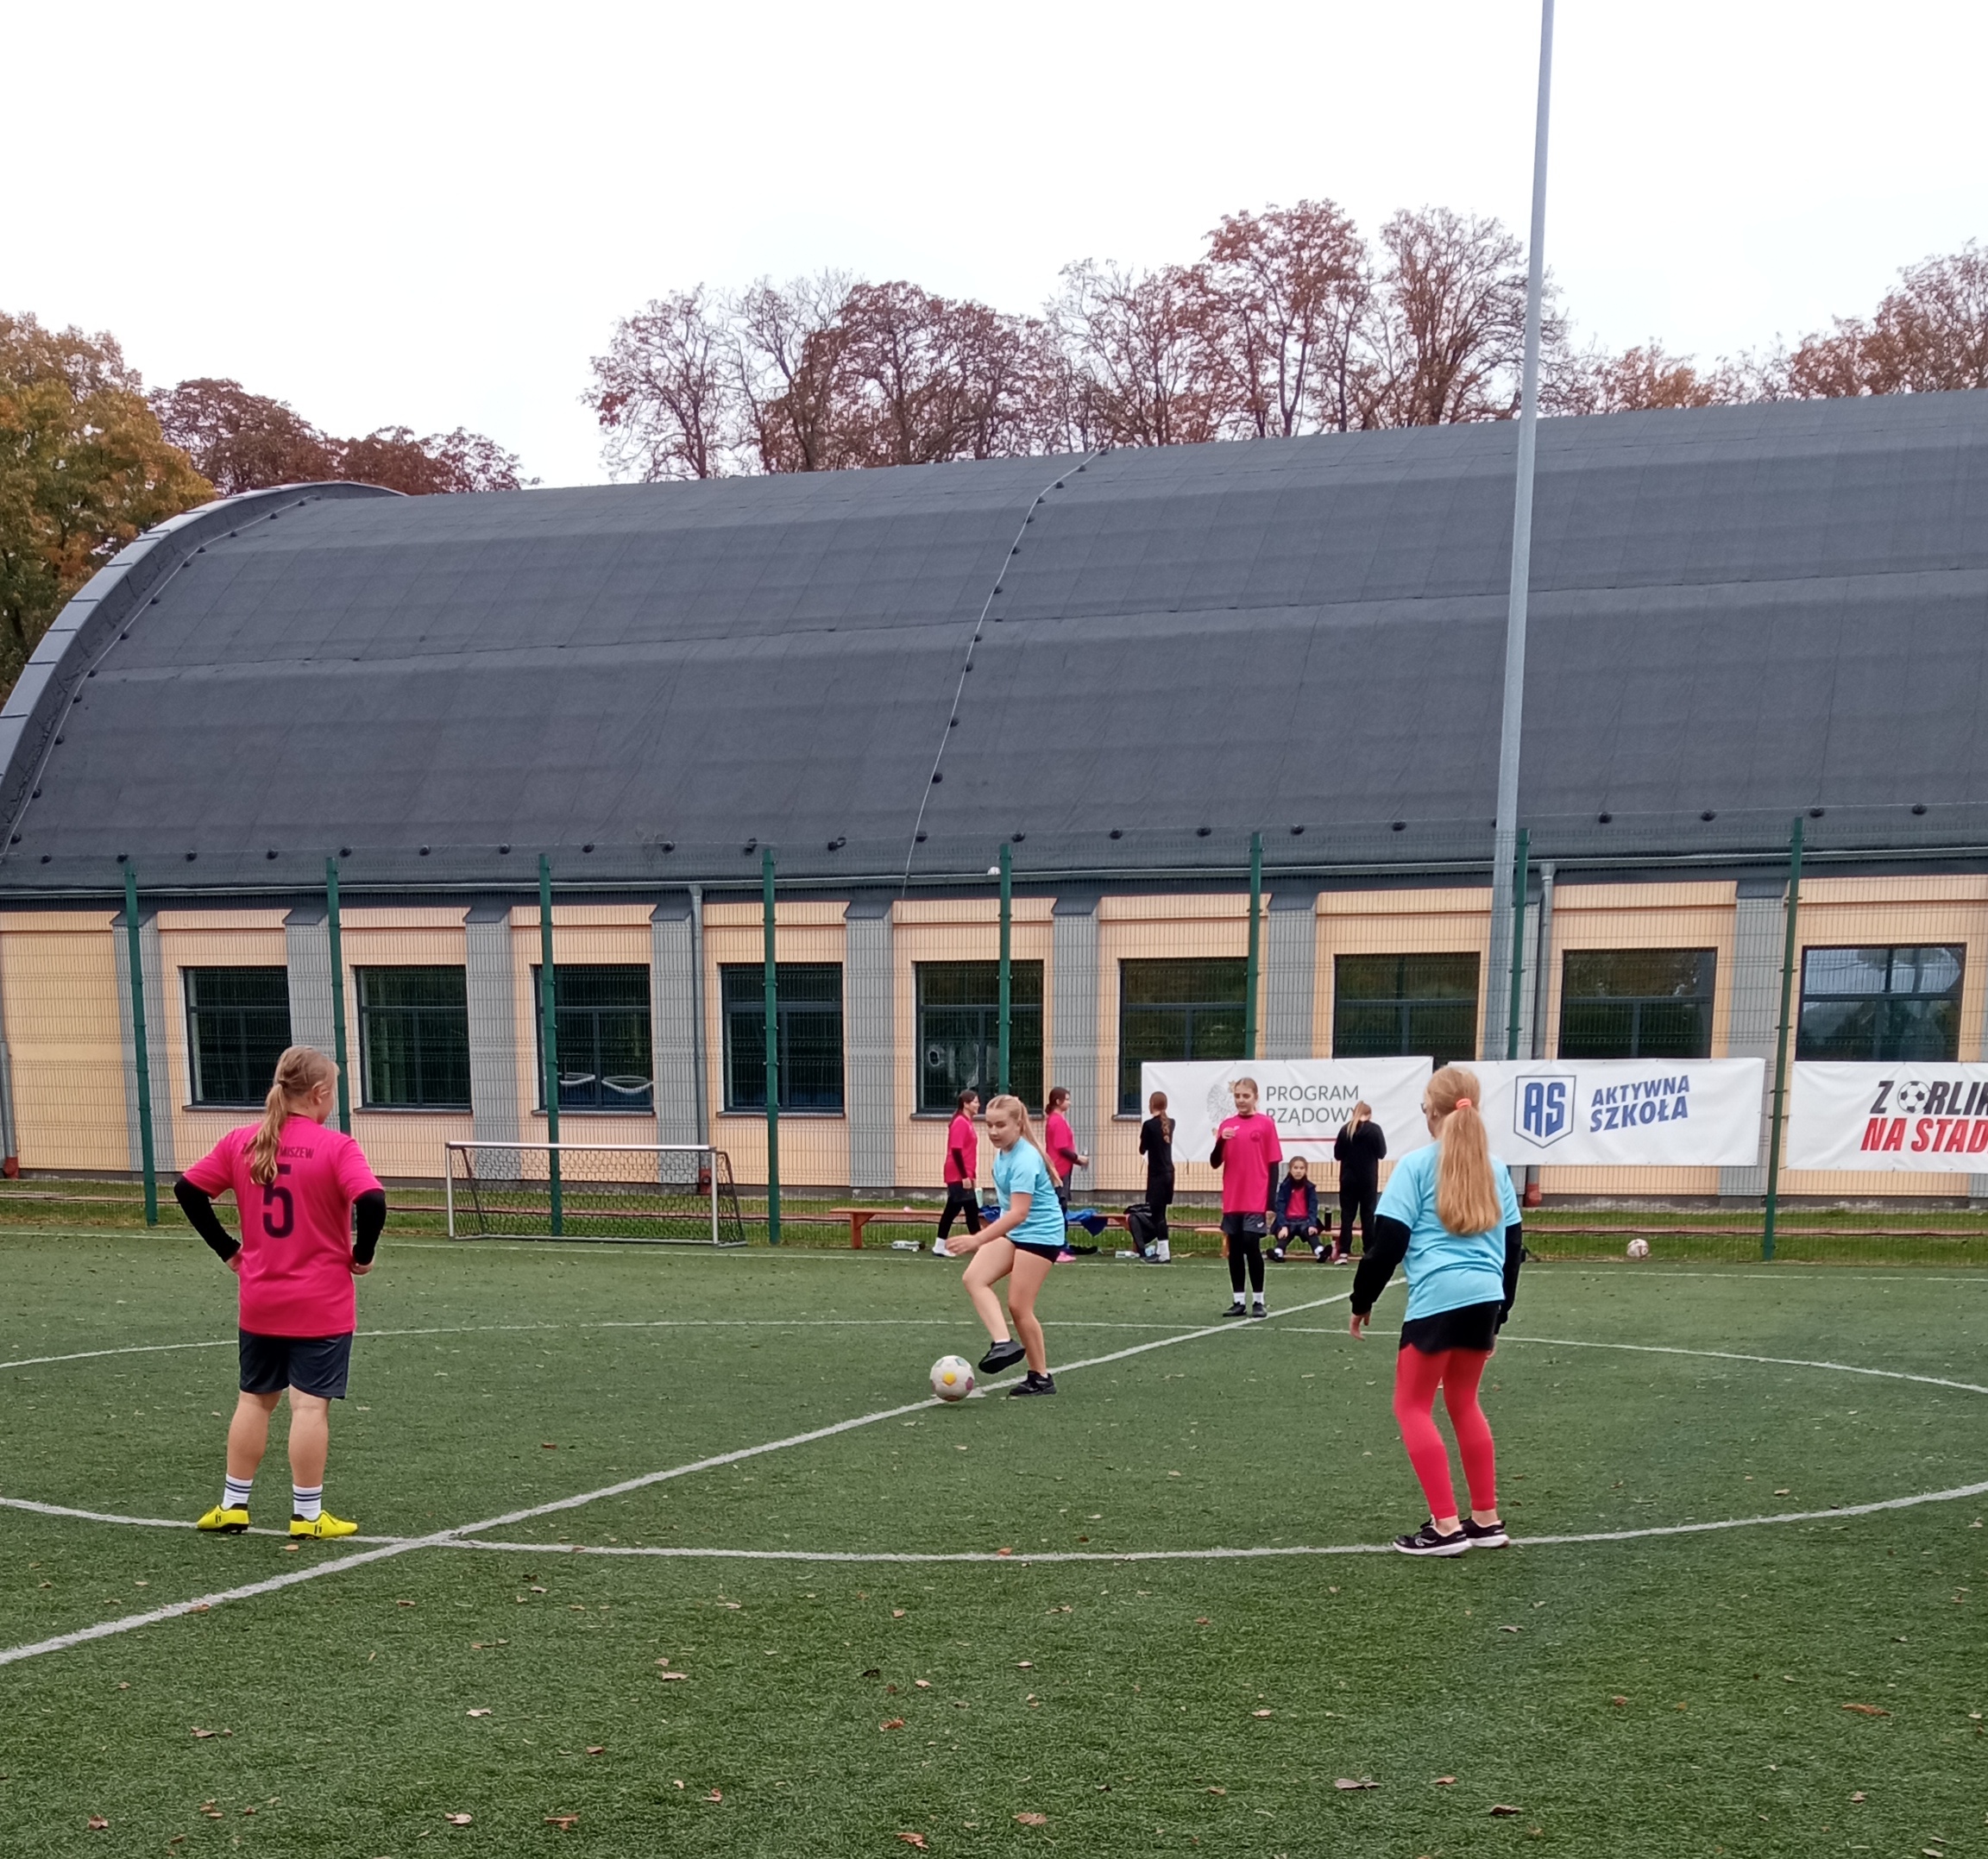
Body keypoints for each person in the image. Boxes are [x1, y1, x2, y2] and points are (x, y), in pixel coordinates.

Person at [176, 1046, 387, 1541]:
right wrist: (362, 1254)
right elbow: (373, 1199)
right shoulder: (336, 1147)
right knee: (309, 1408)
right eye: (333, 1092)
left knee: (253, 1401)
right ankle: (307, 1516)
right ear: (319, 1093)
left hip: (261, 1300)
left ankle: (233, 1506)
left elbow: (188, 1191)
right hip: (321, 1304)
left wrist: (230, 1251)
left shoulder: (242, 1142)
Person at [1348, 1065, 1523, 1558]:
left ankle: (1445, 1527)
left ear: (1432, 1112)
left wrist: (1361, 1301)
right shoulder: (1497, 1170)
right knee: (1464, 1402)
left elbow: (1386, 1244)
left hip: (1437, 1301)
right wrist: (1501, 1311)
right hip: (1485, 1298)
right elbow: (1512, 1248)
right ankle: (1485, 1520)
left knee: (1411, 1406)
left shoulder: (1416, 1166)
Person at [949, 1094, 1066, 1397]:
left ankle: (1041, 1378)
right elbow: (1010, 1213)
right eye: (989, 1125)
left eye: (1000, 1125)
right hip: (1017, 1232)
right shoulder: (1003, 1154)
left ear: (1018, 1124)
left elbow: (1019, 1213)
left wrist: (978, 1238)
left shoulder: (1025, 1159)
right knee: (974, 1278)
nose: (993, 1131)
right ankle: (1003, 1343)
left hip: (1041, 1235)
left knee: (1019, 1306)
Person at [1211, 1076, 1281, 1319]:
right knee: (1235, 1248)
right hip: (1233, 1199)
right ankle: (1238, 1300)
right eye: (1237, 1096)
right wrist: (1221, 1141)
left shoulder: (1266, 1124)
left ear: (1255, 1097)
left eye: (1246, 1096)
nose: (1241, 1100)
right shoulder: (1227, 1125)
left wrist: (1270, 1204)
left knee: (1252, 1244)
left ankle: (1259, 1301)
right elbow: (1215, 1161)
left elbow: (1273, 1165)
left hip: (1256, 1198)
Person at [1331, 1099, 1387, 1264]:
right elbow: (1382, 1153)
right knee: (1368, 1215)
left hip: (1348, 1178)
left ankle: (1344, 1252)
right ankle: (1369, 1250)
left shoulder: (1345, 1129)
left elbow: (1338, 1155)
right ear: (1369, 1114)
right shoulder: (1374, 1130)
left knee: (1347, 1215)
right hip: (1368, 1179)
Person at [932, 1087, 982, 1259]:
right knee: (967, 1210)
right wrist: (964, 1176)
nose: (978, 1105)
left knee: (961, 1210)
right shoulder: (960, 1122)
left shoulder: (967, 1122)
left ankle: (940, 1245)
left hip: (964, 1174)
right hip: (958, 1174)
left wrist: (971, 1176)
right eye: (975, 1102)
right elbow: (956, 1150)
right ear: (966, 1104)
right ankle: (979, 1246)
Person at [1041, 1085, 1090, 1264]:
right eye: (1067, 1099)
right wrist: (1079, 1159)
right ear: (1058, 1101)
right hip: (1059, 1170)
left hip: (1060, 1168)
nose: (1069, 1103)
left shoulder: (1055, 1120)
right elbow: (1062, 1148)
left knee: (1059, 1207)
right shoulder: (1057, 1121)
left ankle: (1058, 1246)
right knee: (1059, 1208)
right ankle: (1057, 1247)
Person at [1136, 1090, 1175, 1262]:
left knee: (1157, 1215)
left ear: (1151, 1105)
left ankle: (1164, 1254)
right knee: (1162, 1214)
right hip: (1169, 1173)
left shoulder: (1149, 1125)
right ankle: (1161, 1251)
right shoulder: (1171, 1123)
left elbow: (1142, 1149)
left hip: (1157, 1175)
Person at [1269, 1153, 1328, 1262]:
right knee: (1284, 1235)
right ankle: (1278, 1253)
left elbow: (1313, 1208)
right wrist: (1282, 1226)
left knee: (1311, 1234)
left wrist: (1312, 1224)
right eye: (1295, 1168)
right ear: (1290, 1169)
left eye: (1301, 1168)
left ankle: (1320, 1252)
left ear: (1306, 1170)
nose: (1298, 1171)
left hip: (1305, 1221)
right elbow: (1280, 1207)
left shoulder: (1310, 1188)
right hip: (1288, 1221)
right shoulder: (1284, 1187)